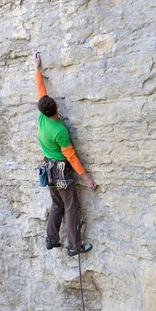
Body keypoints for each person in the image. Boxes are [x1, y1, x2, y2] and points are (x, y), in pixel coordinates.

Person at [33, 52, 96, 256]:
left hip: (48, 170)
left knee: (57, 203)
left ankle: (52, 239)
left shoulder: (41, 119)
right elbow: (71, 156)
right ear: (56, 107)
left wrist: (37, 69)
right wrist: (86, 178)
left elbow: (40, 91)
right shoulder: (59, 130)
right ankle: (74, 246)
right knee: (72, 207)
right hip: (61, 173)